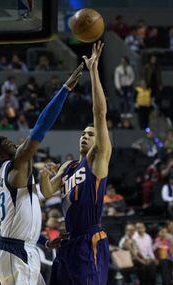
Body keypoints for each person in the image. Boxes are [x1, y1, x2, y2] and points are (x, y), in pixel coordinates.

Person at [0, 62, 84, 285]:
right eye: (11, 144)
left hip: (19, 247)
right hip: (16, 251)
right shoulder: (14, 166)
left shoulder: (14, 177)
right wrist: (65, 90)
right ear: (4, 157)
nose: (17, 144)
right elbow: (40, 128)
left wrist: (43, 241)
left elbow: (22, 216)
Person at [40, 42, 112, 285]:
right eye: (83, 133)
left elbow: (99, 114)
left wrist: (93, 72)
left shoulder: (97, 160)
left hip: (90, 239)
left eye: (90, 134)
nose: (85, 136)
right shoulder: (68, 167)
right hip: (67, 241)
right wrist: (43, 172)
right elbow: (46, 191)